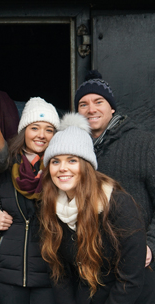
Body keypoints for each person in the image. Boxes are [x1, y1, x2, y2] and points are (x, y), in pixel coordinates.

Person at [40, 112, 149, 303]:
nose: (62, 168)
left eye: (72, 160)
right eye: (55, 161)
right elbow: (59, 273)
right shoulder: (52, 207)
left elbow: (130, 279)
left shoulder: (118, 204)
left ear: (87, 165)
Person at [0, 97, 60, 303]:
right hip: (7, 277)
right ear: (24, 131)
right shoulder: (2, 166)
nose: (41, 135)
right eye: (35, 128)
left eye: (49, 130)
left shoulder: (62, 169)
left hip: (50, 277)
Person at [75, 70, 155, 299]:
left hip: (137, 270)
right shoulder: (72, 154)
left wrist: (149, 244)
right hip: (89, 272)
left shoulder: (145, 144)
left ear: (111, 108)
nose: (91, 109)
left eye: (98, 102)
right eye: (83, 104)